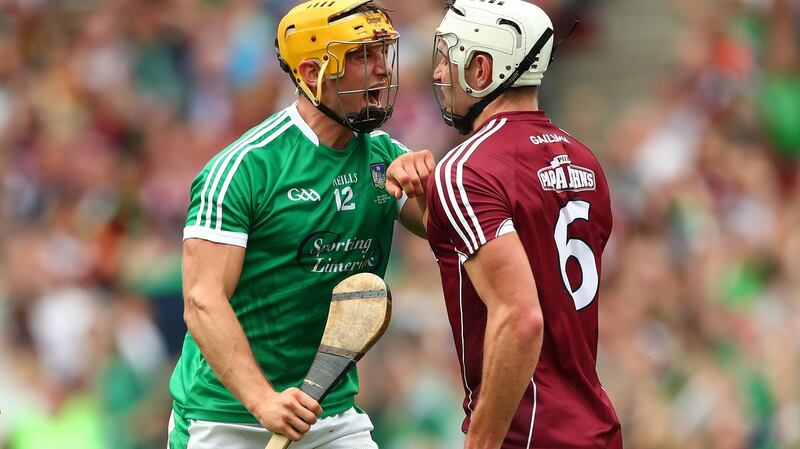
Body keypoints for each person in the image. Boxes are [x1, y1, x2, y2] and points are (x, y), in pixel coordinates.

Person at [166, 1, 433, 448]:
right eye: (362, 56)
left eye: (383, 53)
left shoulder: (385, 155)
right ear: (312, 74)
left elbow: (437, 232)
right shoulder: (245, 168)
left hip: (330, 412)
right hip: (227, 415)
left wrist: (427, 190)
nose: (383, 70)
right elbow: (202, 300)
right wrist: (263, 401)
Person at [387, 0, 623, 447]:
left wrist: (482, 442)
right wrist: (414, 191)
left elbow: (521, 319)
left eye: (447, 57)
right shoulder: (585, 161)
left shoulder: (466, 168)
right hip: (595, 427)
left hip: (526, 432)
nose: (437, 73)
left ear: (481, 69)